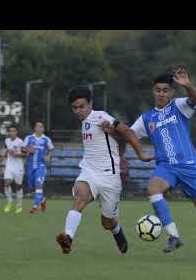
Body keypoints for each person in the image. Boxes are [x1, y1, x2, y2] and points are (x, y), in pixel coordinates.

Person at [102, 66, 196, 261]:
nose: (161, 93)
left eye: (165, 90)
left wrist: (188, 85)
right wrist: (111, 130)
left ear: (171, 92)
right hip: (166, 167)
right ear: (153, 92)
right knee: (153, 189)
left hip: (189, 166)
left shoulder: (179, 106)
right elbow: (129, 135)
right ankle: (174, 236)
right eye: (158, 90)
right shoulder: (146, 118)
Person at [56, 87, 153, 254]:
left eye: (82, 106)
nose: (78, 111)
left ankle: (117, 231)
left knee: (107, 223)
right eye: (75, 107)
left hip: (110, 176)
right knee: (81, 195)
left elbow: (127, 133)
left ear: (90, 104)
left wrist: (141, 155)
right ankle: (68, 238)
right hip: (89, 171)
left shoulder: (101, 117)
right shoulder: (85, 122)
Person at [23, 121, 54, 214]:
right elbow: (22, 149)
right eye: (38, 126)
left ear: (43, 129)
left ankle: (35, 206)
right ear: (35, 128)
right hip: (30, 165)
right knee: (31, 187)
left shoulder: (46, 139)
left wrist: (48, 156)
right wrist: (28, 150)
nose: (39, 128)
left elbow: (51, 149)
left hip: (41, 165)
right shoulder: (29, 138)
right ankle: (42, 199)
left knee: (38, 184)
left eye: (41, 127)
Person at [3, 125, 27, 214]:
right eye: (10, 131)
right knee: (6, 183)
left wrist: (16, 154)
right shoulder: (6, 140)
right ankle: (9, 202)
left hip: (18, 167)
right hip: (9, 166)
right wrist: (5, 155)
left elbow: (25, 154)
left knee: (18, 186)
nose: (12, 132)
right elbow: (6, 150)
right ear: (9, 132)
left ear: (16, 132)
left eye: (14, 131)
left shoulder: (20, 142)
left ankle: (19, 205)